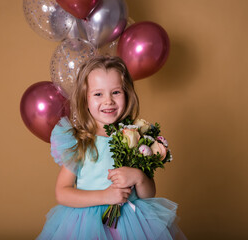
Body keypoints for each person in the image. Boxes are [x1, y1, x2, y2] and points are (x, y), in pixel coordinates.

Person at [37, 55, 187, 239]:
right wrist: (105, 196)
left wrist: (139, 177)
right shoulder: (80, 140)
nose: (108, 101)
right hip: (88, 225)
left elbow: (148, 195)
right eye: (98, 94)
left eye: (116, 92)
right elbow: (62, 192)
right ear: (85, 99)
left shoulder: (134, 136)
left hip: (132, 222)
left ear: (127, 93)